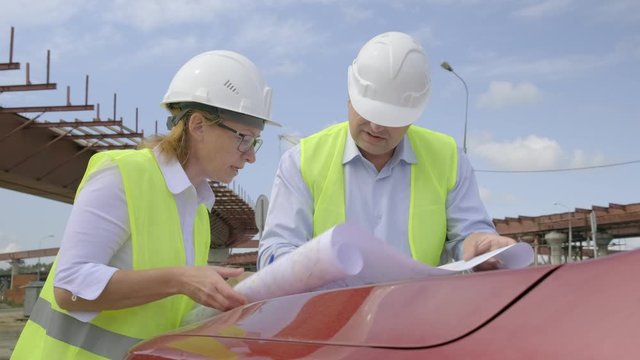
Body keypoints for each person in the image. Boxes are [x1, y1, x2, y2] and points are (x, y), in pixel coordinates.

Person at [13, 50, 279, 360]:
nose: (251, 156)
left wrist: (229, 295)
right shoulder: (122, 175)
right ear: (198, 126)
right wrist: (181, 279)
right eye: (244, 138)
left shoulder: (199, 211)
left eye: (255, 142)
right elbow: (69, 286)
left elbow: (168, 311)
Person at [257, 31, 514, 273]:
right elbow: (276, 250)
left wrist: (478, 243)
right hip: (333, 314)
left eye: (391, 118)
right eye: (368, 111)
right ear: (350, 95)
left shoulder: (448, 157)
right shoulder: (302, 161)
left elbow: (468, 235)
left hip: (421, 313)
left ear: (414, 115)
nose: (377, 126)